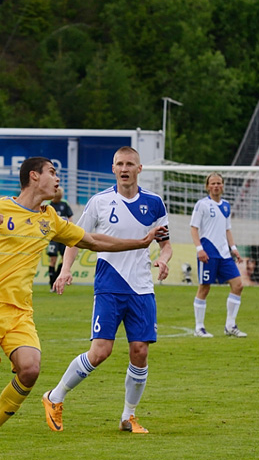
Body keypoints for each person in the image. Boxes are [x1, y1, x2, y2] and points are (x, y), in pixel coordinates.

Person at [0, 155, 167, 460]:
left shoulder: (50, 218)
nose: (57, 178)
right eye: (52, 172)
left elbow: (92, 240)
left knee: (31, 369)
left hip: (20, 313)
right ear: (34, 177)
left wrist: (139, 243)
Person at [42, 146, 172, 435]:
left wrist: (163, 260)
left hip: (142, 288)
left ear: (139, 169)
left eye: (130, 164)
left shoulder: (154, 203)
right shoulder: (99, 202)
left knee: (140, 352)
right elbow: (74, 239)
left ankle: (129, 416)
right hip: (109, 285)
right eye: (119, 164)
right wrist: (65, 270)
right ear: (113, 169)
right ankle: (54, 397)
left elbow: (165, 244)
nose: (124, 168)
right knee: (100, 352)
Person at [191, 173, 246, 338]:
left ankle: (230, 325)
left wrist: (233, 248)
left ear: (223, 186)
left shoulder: (226, 206)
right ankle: (199, 327)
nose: (216, 186)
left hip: (224, 254)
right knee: (204, 288)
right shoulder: (202, 205)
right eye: (213, 183)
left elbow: (227, 229)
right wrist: (199, 249)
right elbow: (194, 228)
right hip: (208, 253)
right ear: (207, 186)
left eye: (219, 183)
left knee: (238, 285)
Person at [47, 186, 74, 289]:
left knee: (64, 260)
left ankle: (56, 279)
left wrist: (71, 228)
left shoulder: (64, 203)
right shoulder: (48, 205)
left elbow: (70, 217)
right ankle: (51, 283)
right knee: (53, 260)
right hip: (53, 237)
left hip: (63, 236)